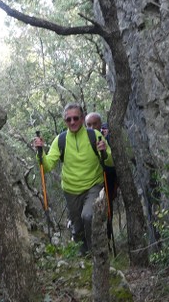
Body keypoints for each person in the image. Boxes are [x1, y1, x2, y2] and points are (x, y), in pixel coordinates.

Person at [34, 103, 113, 254]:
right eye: (68, 119)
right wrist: (40, 152)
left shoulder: (94, 136)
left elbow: (109, 161)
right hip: (71, 190)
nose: (72, 122)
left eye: (76, 118)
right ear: (65, 121)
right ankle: (83, 257)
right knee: (78, 228)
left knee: (89, 216)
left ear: (82, 119)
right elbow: (48, 165)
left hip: (93, 185)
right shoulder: (60, 140)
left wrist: (104, 151)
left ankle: (96, 255)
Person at [85, 112, 118, 203]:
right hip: (91, 180)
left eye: (95, 124)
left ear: (100, 123)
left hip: (108, 177)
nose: (92, 127)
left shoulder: (108, 136)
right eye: (89, 125)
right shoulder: (83, 139)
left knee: (107, 202)